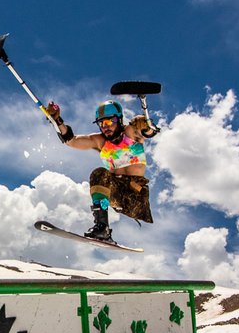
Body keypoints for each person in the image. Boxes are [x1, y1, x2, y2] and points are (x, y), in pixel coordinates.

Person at [46, 99, 157, 243]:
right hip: (116, 192)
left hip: (135, 196)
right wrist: (57, 120)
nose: (106, 127)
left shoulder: (130, 132)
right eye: (102, 124)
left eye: (110, 122)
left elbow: (148, 131)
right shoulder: (100, 141)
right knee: (99, 173)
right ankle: (102, 228)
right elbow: (71, 140)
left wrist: (147, 126)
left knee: (104, 174)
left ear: (119, 119)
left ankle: (103, 227)